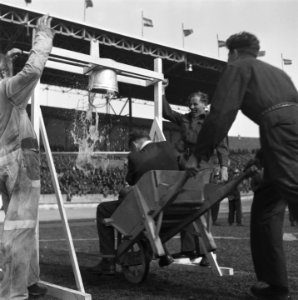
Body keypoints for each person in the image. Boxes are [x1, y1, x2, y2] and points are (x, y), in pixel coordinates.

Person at [187, 31, 298, 300]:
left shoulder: (237, 67)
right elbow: (285, 114)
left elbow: (222, 113)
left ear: (234, 52)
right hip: (282, 132)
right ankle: (274, 286)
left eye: (228, 54)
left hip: (279, 133)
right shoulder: (278, 73)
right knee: (264, 209)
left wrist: (199, 154)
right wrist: (263, 155)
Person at [0, 15, 54, 299]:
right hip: (20, 159)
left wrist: (6, 63)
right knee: (19, 229)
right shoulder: (8, 90)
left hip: (7, 159)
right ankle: (12, 293)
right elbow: (32, 71)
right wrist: (43, 37)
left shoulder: (5, 91)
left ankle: (29, 280)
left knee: (22, 225)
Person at [90, 129, 179, 275]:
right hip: (175, 205)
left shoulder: (135, 157)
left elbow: (130, 181)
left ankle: (108, 261)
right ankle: (162, 251)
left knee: (104, 209)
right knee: (144, 212)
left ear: (134, 144)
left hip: (150, 208)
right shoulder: (169, 147)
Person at [162, 87, 229, 261]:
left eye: (196, 103)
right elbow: (166, 112)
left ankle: (207, 252)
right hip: (186, 167)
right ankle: (188, 249)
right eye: (190, 104)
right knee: (184, 206)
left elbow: (221, 145)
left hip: (204, 166)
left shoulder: (213, 121)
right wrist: (161, 91)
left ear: (205, 104)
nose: (192, 106)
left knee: (201, 207)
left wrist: (224, 167)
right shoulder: (184, 119)